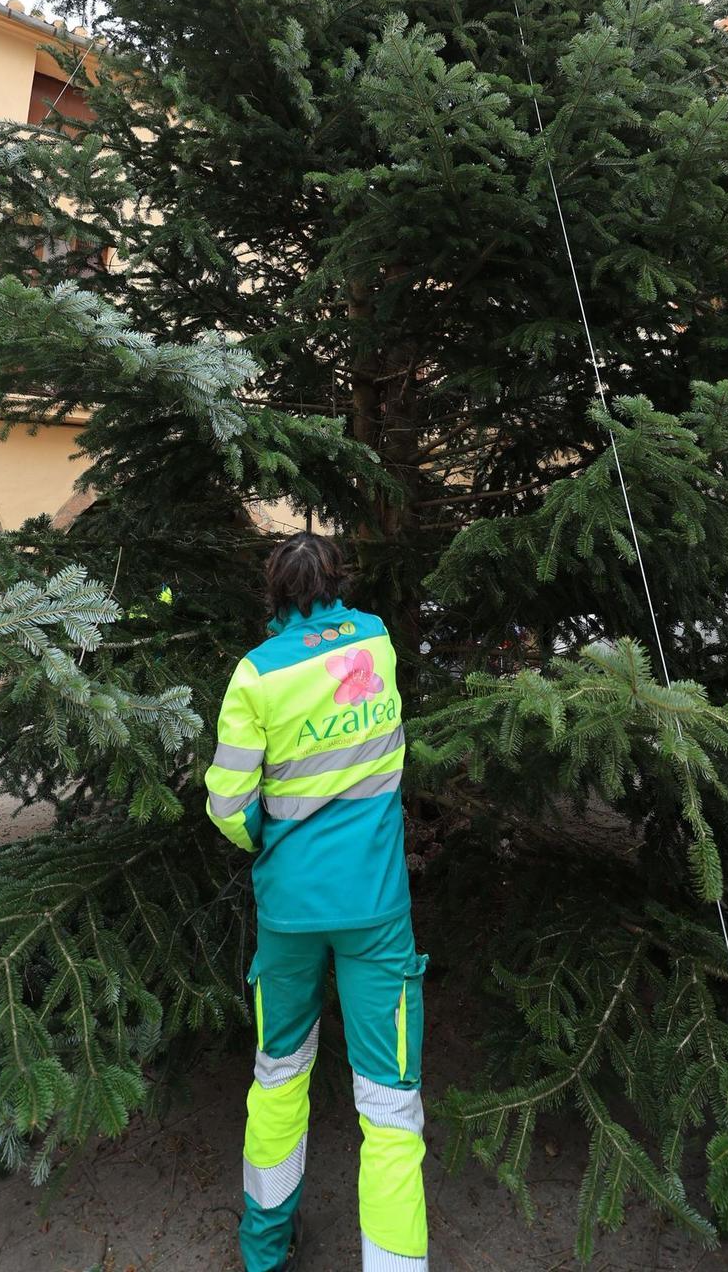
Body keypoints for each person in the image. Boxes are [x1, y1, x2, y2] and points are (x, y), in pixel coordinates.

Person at [205, 532, 428, 1272]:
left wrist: (274, 833)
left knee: (278, 1076)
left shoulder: (256, 675)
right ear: (338, 581)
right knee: (391, 1105)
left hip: (290, 913)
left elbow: (229, 807)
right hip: (376, 909)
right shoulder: (378, 641)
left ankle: (265, 1251)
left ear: (273, 589)